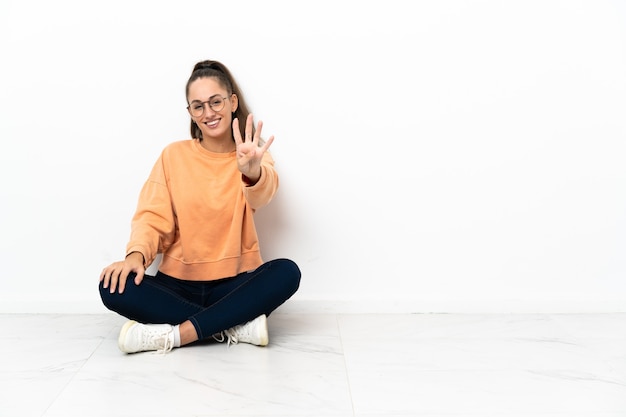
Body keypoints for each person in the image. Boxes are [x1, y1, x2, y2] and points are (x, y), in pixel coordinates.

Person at [99, 59, 301, 354]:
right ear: (190, 113)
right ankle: (232, 324)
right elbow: (152, 218)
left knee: (287, 272)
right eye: (198, 106)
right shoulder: (173, 155)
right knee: (112, 287)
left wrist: (252, 171)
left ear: (232, 102)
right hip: (178, 286)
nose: (208, 113)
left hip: (235, 282)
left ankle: (176, 335)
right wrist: (136, 256)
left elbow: (262, 194)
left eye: (215, 102)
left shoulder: (251, 152)